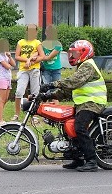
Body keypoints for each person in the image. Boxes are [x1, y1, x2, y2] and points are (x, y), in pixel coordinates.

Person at [39, 40, 106, 172]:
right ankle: (78, 158)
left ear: (84, 53)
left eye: (74, 54)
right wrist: (47, 95)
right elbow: (68, 89)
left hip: (93, 103)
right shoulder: (82, 66)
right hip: (84, 104)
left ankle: (92, 161)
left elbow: (73, 82)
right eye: (71, 54)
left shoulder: (88, 65)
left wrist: (53, 84)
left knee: (79, 127)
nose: (71, 57)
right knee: (67, 125)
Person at [14, 24, 44, 121]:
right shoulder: (21, 42)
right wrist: (27, 60)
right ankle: (17, 114)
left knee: (35, 93)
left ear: (36, 32)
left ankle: (34, 115)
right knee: (19, 92)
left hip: (34, 69)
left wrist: (31, 62)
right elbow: (17, 56)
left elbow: (42, 56)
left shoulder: (37, 42)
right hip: (23, 70)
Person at [0, 39, 16, 125]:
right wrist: (9, 65)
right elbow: (7, 66)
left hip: (8, 79)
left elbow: (13, 64)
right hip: (2, 79)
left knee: (5, 99)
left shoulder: (6, 56)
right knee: (2, 100)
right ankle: (0, 119)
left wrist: (10, 57)